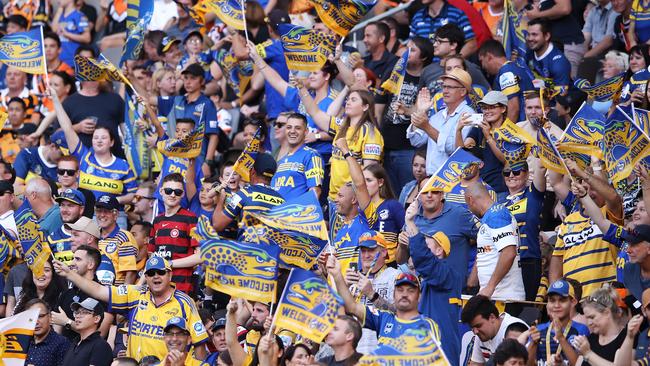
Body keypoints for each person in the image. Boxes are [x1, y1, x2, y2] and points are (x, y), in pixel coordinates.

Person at [53, 256, 209, 361]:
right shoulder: (135, 293)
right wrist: (70, 274)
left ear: (170, 275)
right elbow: (99, 290)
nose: (156, 276)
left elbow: (199, 342)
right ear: (145, 277)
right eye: (151, 273)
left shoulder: (184, 302)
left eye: (161, 272)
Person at [327, 255, 441, 348]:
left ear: (419, 296)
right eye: (400, 290)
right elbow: (352, 307)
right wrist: (337, 276)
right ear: (394, 294)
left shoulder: (427, 325)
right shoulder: (383, 318)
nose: (404, 294)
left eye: (411, 291)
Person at [404, 199, 463, 363]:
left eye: (426, 243)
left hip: (441, 352)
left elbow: (424, 259)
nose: (421, 246)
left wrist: (410, 222)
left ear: (439, 251)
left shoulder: (447, 274)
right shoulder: (431, 279)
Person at [464, 181, 525, 303]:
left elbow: (509, 252)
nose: (470, 209)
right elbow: (487, 249)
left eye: (467, 205)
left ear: (470, 200)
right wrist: (473, 281)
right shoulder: (491, 216)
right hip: (495, 296)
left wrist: (490, 287)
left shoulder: (496, 216)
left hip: (504, 297)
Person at [408, 68, 475, 175]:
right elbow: (416, 141)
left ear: (463, 91)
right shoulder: (437, 116)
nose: (445, 91)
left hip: (452, 180)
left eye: (450, 87)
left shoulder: (469, 115)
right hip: (431, 178)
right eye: (444, 86)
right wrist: (420, 111)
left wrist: (427, 127)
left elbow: (454, 149)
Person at [149, 173, 199, 294]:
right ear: (161, 191)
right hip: (159, 288)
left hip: (181, 288)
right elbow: (151, 255)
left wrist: (169, 264)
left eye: (177, 192)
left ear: (183, 195)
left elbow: (200, 256)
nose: (172, 195)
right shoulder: (157, 220)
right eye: (168, 190)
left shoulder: (191, 219)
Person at [51, 245, 114, 340]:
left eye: (78, 259)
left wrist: (67, 322)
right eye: (73, 259)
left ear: (91, 265)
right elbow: (56, 332)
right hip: (65, 352)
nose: (72, 263)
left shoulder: (104, 296)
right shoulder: (66, 294)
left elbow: (100, 334)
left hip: (89, 352)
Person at [525, 279, 588, 364]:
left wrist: (561, 338)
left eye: (562, 300)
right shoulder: (539, 329)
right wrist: (533, 343)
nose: (556, 305)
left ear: (573, 302)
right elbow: (527, 364)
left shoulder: (581, 329)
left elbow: (580, 364)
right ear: (547, 304)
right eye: (552, 300)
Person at [478, 40, 534, 123]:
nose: (482, 66)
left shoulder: (506, 72)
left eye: (481, 61)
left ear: (489, 57)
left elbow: (513, 108)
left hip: (520, 128)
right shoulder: (516, 67)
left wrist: (505, 133)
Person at [460, 295, 528, 364]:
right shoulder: (481, 334)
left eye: (478, 325)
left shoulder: (514, 330)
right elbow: (475, 364)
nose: (475, 332)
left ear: (492, 317)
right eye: (472, 328)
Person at [270, 113, 324, 198]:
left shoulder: (312, 155)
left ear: (305, 132)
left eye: (298, 128)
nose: (292, 131)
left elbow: (315, 192)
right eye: (289, 127)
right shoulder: (282, 160)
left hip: (296, 210)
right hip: (276, 210)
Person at [572, 285, 628, 364]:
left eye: (592, 317)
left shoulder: (627, 338)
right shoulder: (590, 339)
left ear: (607, 313)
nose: (589, 323)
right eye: (587, 318)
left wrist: (588, 353)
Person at [95, 194, 138, 285]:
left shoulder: (124, 237)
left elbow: (130, 273)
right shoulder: (93, 235)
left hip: (115, 294)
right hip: (94, 291)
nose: (102, 215)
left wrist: (123, 297)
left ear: (116, 214)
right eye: (99, 211)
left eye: (106, 211)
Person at [409, 0, 477, 57]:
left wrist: (454, 61)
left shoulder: (457, 14)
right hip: (424, 70)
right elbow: (410, 45)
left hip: (448, 70)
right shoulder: (417, 16)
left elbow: (472, 44)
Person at [60, 298, 113, 366]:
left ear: (96, 319)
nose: (78, 316)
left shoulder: (100, 346)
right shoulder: (75, 343)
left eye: (84, 312)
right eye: (77, 312)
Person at [525, 18, 572, 94]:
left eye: (534, 34)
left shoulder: (559, 63)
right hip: (535, 100)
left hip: (554, 103)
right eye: (528, 34)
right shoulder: (529, 52)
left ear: (547, 36)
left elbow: (561, 98)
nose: (530, 38)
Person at [24, 298, 71, 366]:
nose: (36, 322)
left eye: (40, 316)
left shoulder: (62, 343)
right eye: (31, 318)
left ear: (50, 317)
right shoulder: (23, 342)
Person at [48, 188, 85, 265]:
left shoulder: (90, 235)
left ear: (81, 209)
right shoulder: (51, 238)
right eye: (62, 205)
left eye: (70, 206)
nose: (65, 210)